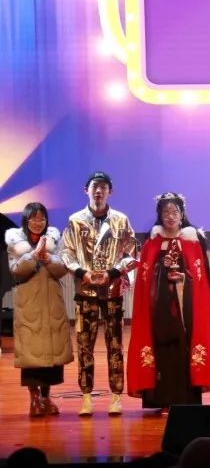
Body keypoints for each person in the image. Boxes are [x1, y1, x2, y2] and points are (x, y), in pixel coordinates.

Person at [127, 193, 210, 411]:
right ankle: (162, 400)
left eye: (175, 212)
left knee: (185, 350)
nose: (170, 216)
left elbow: (201, 278)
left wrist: (184, 278)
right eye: (166, 212)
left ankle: (187, 400)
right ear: (160, 215)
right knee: (163, 352)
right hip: (159, 311)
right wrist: (161, 269)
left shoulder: (193, 241)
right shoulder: (152, 243)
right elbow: (145, 278)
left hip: (186, 310)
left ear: (182, 215)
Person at [60, 170, 139, 416]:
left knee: (115, 344)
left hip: (112, 291)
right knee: (84, 344)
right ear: (86, 190)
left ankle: (116, 396)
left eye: (103, 187)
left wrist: (113, 272)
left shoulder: (121, 220)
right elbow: (66, 252)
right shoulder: (75, 220)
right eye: (95, 186)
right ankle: (86, 396)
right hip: (85, 291)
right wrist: (81, 272)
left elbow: (132, 253)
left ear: (110, 191)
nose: (98, 191)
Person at [6, 203, 72, 416]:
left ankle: (46, 397)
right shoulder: (16, 243)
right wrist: (34, 255)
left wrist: (48, 258)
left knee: (51, 356)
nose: (37, 222)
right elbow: (16, 271)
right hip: (29, 305)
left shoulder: (54, 240)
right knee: (31, 355)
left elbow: (63, 269)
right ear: (26, 220)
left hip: (52, 304)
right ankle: (34, 399)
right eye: (33, 218)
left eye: (41, 218)